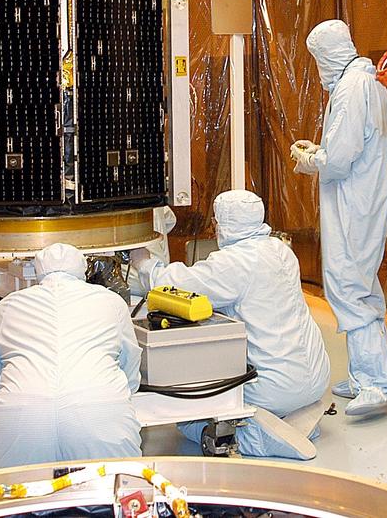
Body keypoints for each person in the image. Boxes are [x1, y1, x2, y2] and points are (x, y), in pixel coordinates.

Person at [132, 190, 331, 459]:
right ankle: (295, 419)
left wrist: (143, 261)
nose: (214, 228)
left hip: (272, 387)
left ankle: (254, 439)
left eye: (216, 222)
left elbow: (173, 286)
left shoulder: (234, 263)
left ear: (224, 225)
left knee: (188, 422)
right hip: (316, 376)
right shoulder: (281, 250)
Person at [292, 19, 387, 418]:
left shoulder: (351, 90)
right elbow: (351, 144)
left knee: (348, 287)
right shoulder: (366, 83)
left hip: (354, 202)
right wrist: (320, 150)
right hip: (365, 197)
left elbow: (338, 158)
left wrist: (309, 159)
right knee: (363, 285)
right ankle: (365, 375)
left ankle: (376, 384)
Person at [0, 242, 141, 466]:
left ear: (37, 272)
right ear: (82, 270)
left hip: (22, 420)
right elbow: (130, 371)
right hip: (99, 413)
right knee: (112, 494)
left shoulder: (8, 306)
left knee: (23, 496)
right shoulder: (112, 301)